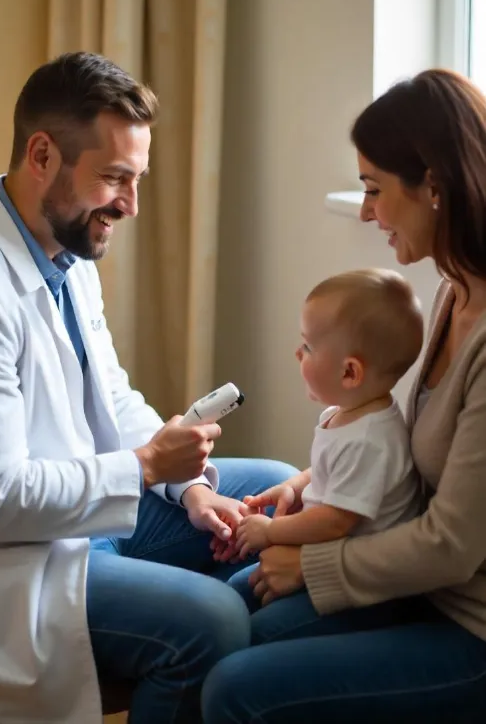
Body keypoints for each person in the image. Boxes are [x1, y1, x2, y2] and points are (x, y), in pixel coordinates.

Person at [0, 51, 296, 724]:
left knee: (277, 495)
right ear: (42, 154)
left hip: (91, 519)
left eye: (137, 179)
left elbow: (112, 398)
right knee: (214, 620)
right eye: (114, 178)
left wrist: (188, 488)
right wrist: (147, 466)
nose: (129, 204)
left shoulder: (67, 251)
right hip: (19, 562)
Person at [202, 68, 486, 724]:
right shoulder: (453, 292)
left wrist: (312, 563)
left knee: (233, 684)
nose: (365, 212)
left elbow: (453, 544)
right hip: (422, 590)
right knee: (224, 625)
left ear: (435, 186)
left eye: (374, 189)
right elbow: (405, 447)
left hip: (470, 628)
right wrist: (312, 482)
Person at [235, 269, 422, 563]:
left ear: (349, 372)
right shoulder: (349, 414)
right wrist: (294, 488)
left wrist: (271, 530)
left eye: (308, 346)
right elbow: (330, 473)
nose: (298, 353)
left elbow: (334, 521)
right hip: (320, 547)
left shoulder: (368, 441)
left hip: (353, 584)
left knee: (240, 596)